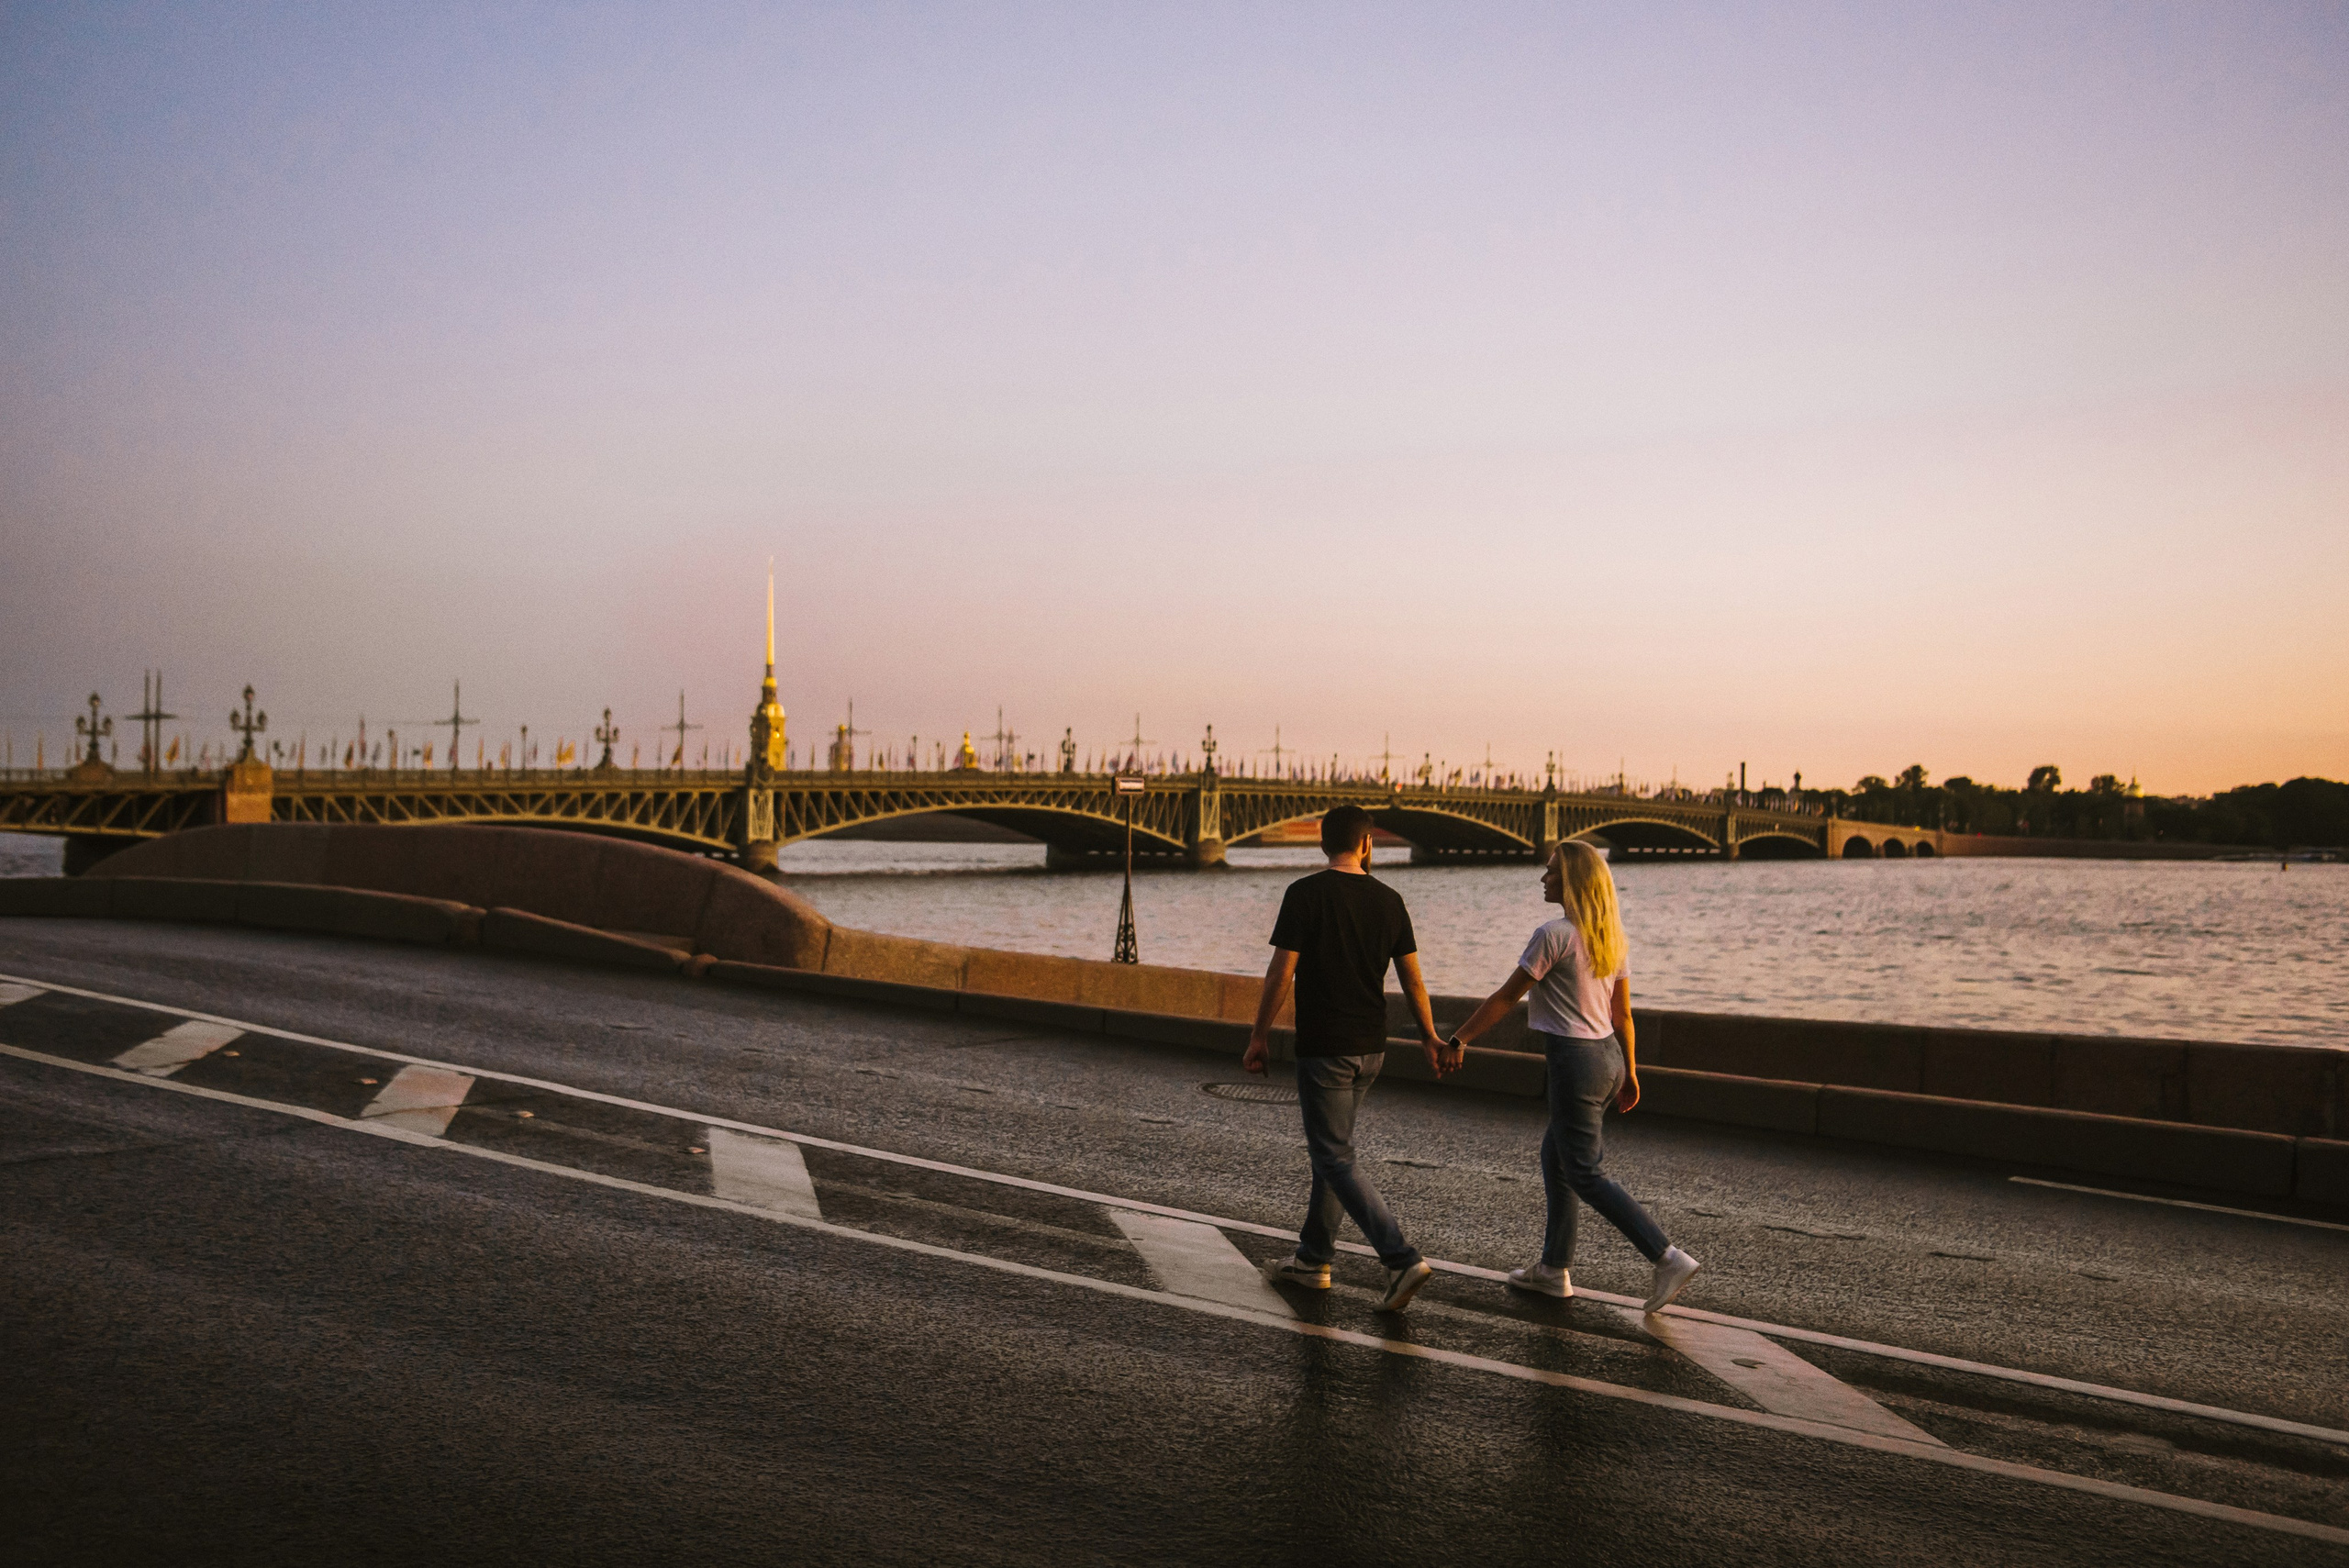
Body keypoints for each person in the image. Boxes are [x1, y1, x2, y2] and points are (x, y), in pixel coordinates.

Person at [1447, 840, 1701, 1314]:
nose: (1542, 879)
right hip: (1607, 1057)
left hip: (1575, 1060)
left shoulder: (1554, 934)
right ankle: (1552, 1269)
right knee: (1558, 1156)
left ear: (1573, 883)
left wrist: (1459, 1040)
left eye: (1550, 873)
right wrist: (1630, 1073)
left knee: (1584, 1172)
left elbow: (1506, 997)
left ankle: (1667, 1256)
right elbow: (1623, 1015)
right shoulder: (1610, 936)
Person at [1244, 805, 1452, 1313]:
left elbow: (1280, 974)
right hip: (1371, 1048)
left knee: (1335, 1156)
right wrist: (1428, 1035)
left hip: (1326, 1046)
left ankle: (1400, 1257)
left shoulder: (1304, 894)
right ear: (1367, 845)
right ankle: (1313, 1261)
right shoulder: (1390, 899)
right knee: (1332, 1156)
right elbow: (1413, 979)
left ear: (1323, 844)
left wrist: (1258, 1036)